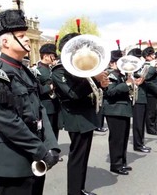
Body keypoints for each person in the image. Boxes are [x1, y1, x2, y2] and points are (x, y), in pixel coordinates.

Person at [0, 9, 60, 195]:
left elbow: (40, 110)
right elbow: (8, 122)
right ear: (5, 42)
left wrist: (52, 145)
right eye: (21, 36)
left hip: (36, 156)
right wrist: (41, 150)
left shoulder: (24, 71)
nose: (26, 39)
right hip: (13, 164)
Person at [52, 32, 109, 195]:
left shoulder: (81, 69)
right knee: (77, 156)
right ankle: (74, 191)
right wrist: (94, 79)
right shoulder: (59, 71)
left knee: (83, 156)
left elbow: (90, 90)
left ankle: (80, 188)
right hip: (75, 117)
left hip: (87, 115)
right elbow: (72, 94)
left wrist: (101, 84)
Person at [102, 49, 133, 175]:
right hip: (114, 111)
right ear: (112, 63)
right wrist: (126, 84)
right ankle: (116, 164)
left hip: (123, 110)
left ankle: (122, 162)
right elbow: (110, 92)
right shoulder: (111, 75)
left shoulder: (121, 75)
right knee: (117, 139)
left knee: (124, 138)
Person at [128, 48, 152, 153]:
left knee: (141, 122)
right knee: (138, 123)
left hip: (141, 96)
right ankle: (138, 144)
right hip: (137, 97)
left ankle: (140, 142)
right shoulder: (130, 68)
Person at [37, 43, 60, 140]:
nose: (54, 58)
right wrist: (50, 87)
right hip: (46, 106)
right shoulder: (37, 71)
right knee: (47, 132)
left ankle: (54, 152)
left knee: (55, 130)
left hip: (55, 105)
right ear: (45, 56)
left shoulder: (52, 69)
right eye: (53, 56)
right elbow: (37, 90)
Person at [142, 46, 157, 135]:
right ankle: (150, 129)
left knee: (155, 111)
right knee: (150, 112)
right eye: (152, 55)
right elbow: (147, 78)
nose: (154, 56)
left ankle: (154, 127)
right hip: (150, 91)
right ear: (147, 56)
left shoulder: (151, 65)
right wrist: (153, 67)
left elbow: (156, 77)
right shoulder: (146, 65)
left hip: (155, 91)